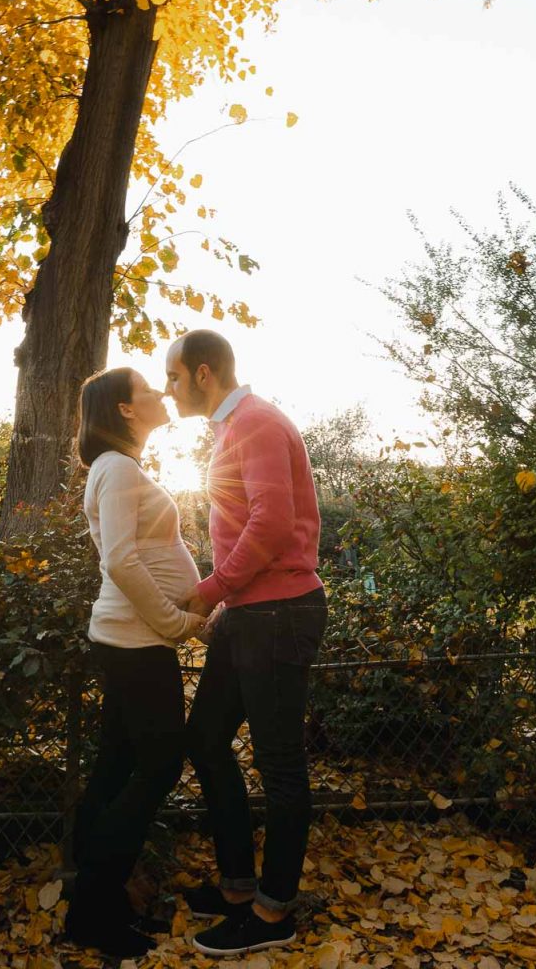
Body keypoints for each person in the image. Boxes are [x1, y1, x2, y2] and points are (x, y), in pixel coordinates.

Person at [165, 330, 328, 957]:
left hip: (279, 611)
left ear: (204, 373)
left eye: (175, 377)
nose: (170, 389)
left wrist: (212, 591)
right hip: (249, 610)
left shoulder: (256, 423)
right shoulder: (232, 431)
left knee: (281, 767)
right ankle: (237, 888)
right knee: (204, 740)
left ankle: (272, 911)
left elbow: (271, 523)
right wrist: (227, 601)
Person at [64, 367, 206, 958]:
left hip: (129, 639)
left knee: (119, 767)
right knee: (157, 767)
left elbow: (132, 552)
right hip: (138, 641)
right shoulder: (118, 469)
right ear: (124, 409)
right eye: (148, 388)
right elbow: (121, 562)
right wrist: (176, 624)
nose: (160, 394)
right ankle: (95, 910)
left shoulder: (117, 468)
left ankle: (95, 906)